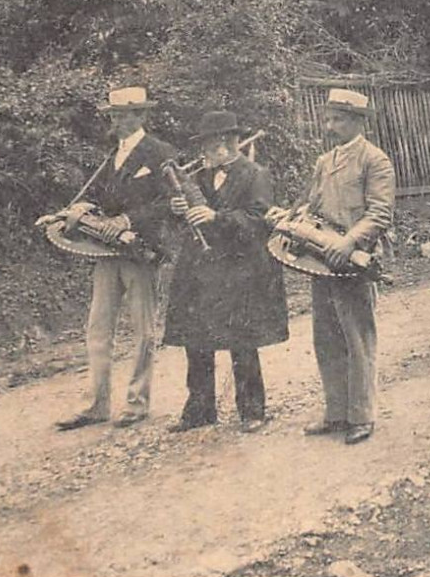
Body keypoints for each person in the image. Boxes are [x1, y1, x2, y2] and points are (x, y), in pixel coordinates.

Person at [273, 88, 394, 446]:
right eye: (328, 119)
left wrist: (349, 241)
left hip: (355, 259)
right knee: (326, 335)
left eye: (338, 119)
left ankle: (361, 415)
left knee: (357, 335)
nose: (330, 126)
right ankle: (336, 411)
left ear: (357, 122)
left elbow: (380, 213)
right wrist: (290, 217)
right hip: (320, 258)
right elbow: (312, 206)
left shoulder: (375, 160)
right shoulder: (324, 163)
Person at [55, 86, 177, 432]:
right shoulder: (112, 154)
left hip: (140, 251)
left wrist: (127, 221)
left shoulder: (159, 152)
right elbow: (96, 194)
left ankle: (137, 404)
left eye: (123, 114)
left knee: (143, 330)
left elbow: (170, 203)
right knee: (98, 328)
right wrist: (78, 209)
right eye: (113, 114)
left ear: (140, 115)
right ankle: (97, 404)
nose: (116, 120)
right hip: (106, 252)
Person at [163, 109, 287, 433]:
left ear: (228, 142)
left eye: (213, 143)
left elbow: (259, 220)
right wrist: (179, 211)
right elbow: (189, 219)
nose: (207, 150)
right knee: (196, 339)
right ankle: (200, 411)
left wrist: (217, 218)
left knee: (241, 340)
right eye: (204, 144)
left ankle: (252, 410)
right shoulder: (200, 177)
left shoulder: (255, 174)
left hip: (239, 267)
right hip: (201, 270)